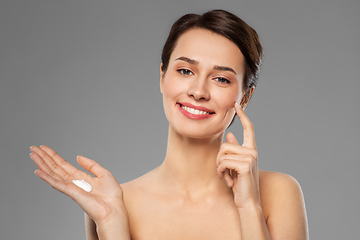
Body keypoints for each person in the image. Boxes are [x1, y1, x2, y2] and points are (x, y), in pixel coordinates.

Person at [30, 9, 308, 240]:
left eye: (221, 78)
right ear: (162, 77)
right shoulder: (115, 202)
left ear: (245, 97)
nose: (199, 91)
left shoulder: (279, 194)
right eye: (185, 71)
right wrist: (112, 222)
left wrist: (249, 207)